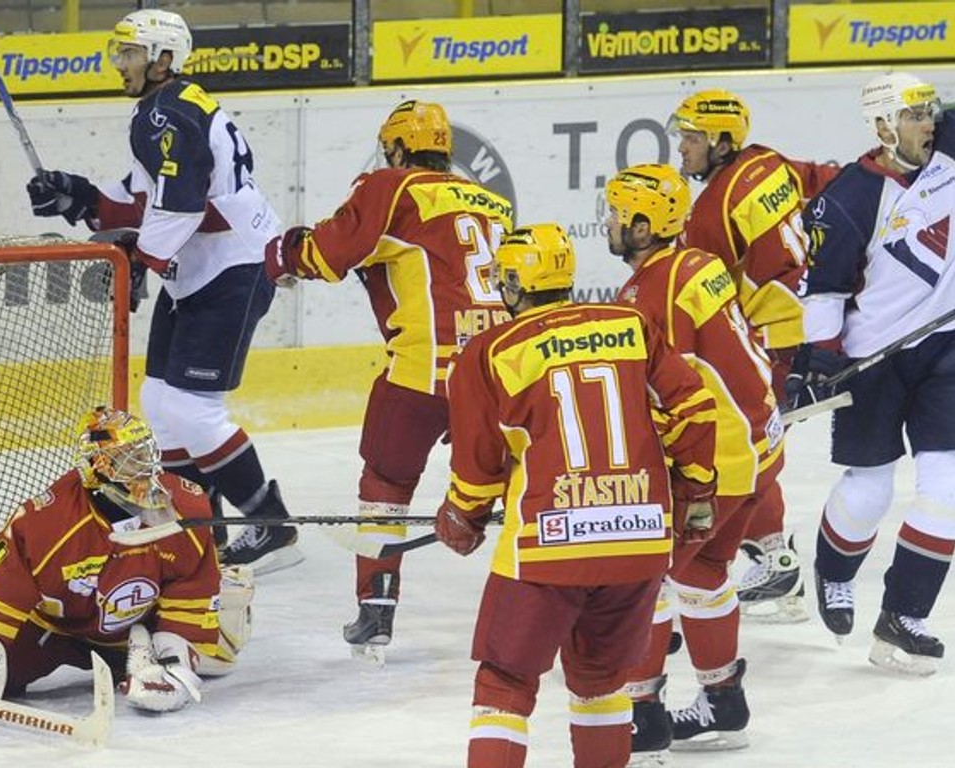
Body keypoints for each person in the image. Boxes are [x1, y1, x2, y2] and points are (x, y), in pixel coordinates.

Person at [23, 9, 301, 575]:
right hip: (200, 271)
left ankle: (271, 525)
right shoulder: (160, 112)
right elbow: (142, 198)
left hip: (233, 267)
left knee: (194, 412)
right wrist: (76, 195)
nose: (119, 63)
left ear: (162, 59)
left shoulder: (168, 113)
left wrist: (140, 260)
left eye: (129, 53)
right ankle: (198, 521)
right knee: (159, 402)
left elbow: (184, 203)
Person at [434, 223, 719, 768]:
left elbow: (477, 466)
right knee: (602, 684)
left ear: (515, 281)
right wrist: (695, 491)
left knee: (505, 683)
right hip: (638, 542)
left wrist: (463, 517)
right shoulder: (633, 325)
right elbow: (694, 410)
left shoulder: (491, 351)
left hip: (546, 548)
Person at [263, 100, 514, 655]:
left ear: (399, 148)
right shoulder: (492, 203)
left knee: (386, 481)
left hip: (426, 370)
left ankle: (377, 606)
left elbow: (328, 255)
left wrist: (282, 254)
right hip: (501, 372)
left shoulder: (392, 187)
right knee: (531, 488)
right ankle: (595, 602)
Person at [0, 407, 253, 721]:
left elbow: (187, 594)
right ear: (99, 466)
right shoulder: (47, 523)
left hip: (130, 628)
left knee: (216, 656)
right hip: (50, 628)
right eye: (130, 458)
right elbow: (1, 601)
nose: (146, 467)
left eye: (146, 453)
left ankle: (202, 605)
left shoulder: (185, 507)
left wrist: (174, 666)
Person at [604, 165, 786, 760]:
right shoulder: (700, 263)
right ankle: (722, 704)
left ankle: (642, 716)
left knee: (641, 580)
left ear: (640, 224)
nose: (607, 222)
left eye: (615, 213)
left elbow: (671, 399)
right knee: (704, 573)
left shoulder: (645, 295)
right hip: (759, 448)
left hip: (715, 463)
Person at [789, 72, 954, 675]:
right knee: (870, 490)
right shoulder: (848, 198)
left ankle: (904, 615)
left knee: (948, 488)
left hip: (944, 351)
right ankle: (833, 571)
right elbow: (824, 292)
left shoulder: (950, 146)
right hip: (873, 361)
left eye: (928, 112)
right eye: (914, 116)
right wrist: (823, 361)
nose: (927, 124)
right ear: (883, 126)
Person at [667, 88, 840, 619]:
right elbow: (833, 184)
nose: (683, 150)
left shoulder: (710, 212)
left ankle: (773, 560)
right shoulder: (769, 161)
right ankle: (775, 559)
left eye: (692, 139)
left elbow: (702, 295)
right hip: (811, 325)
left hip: (770, 337)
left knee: (740, 445)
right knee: (755, 442)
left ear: (721, 140)